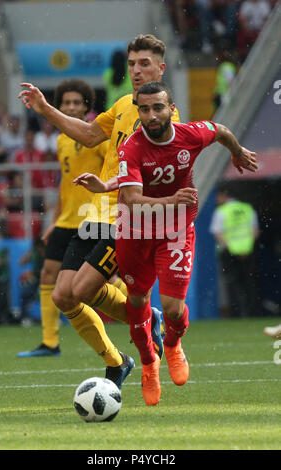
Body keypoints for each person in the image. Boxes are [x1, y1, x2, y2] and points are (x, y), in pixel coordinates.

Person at [75, 81, 258, 406]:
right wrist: (172, 198)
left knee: (173, 308)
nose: (150, 115)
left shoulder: (191, 134)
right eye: (144, 109)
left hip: (175, 231)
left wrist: (237, 151)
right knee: (137, 300)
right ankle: (148, 363)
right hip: (134, 234)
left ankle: (172, 345)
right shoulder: (131, 146)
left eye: (157, 107)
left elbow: (220, 130)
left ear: (171, 109)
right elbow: (131, 198)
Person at [18, 34, 174, 369]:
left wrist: (109, 185)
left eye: (144, 63)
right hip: (95, 214)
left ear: (161, 68)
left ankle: (144, 320)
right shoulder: (121, 105)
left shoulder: (163, 119)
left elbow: (152, 172)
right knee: (63, 295)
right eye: (132, 63)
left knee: (84, 289)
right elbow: (89, 134)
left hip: (126, 217)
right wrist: (45, 109)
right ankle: (119, 361)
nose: (136, 70)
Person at [17, 79, 135, 389]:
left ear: (86, 105)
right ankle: (50, 341)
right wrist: (53, 220)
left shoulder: (102, 136)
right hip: (69, 219)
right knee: (51, 280)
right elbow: (63, 183)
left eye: (75, 103)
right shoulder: (61, 141)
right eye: (65, 103)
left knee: (97, 283)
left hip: (97, 217)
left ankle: (145, 319)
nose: (70, 107)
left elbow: (112, 174)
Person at [209, 187, 260, 318]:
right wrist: (246, 248)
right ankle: (251, 313)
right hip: (247, 252)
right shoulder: (247, 208)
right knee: (249, 282)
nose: (216, 199)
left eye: (218, 196)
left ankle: (236, 313)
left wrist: (232, 249)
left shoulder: (222, 211)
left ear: (224, 195)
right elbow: (255, 231)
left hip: (229, 252)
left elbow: (217, 233)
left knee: (232, 283)